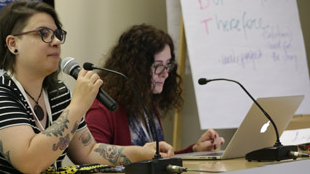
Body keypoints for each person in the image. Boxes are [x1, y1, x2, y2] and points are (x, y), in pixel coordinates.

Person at [0, 0, 172, 174]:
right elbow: (31, 162)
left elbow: (87, 151)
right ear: (13, 44)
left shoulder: (57, 94)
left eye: (57, 34)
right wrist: (78, 105)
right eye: (43, 34)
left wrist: (142, 153)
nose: (55, 41)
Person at [85, 24, 225, 154]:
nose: (165, 74)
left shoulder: (146, 103)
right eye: (158, 66)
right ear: (136, 67)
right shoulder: (102, 108)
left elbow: (156, 160)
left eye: (168, 65)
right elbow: (94, 161)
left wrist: (195, 150)